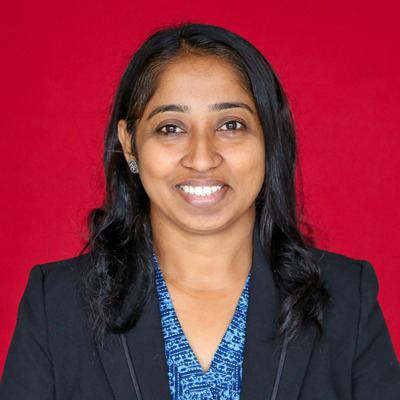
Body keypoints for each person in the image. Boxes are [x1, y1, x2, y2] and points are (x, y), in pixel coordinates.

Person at [1, 23, 399, 400]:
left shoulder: (347, 299)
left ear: (270, 138)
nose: (203, 157)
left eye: (231, 125)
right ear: (130, 144)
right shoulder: (57, 303)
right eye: (171, 128)